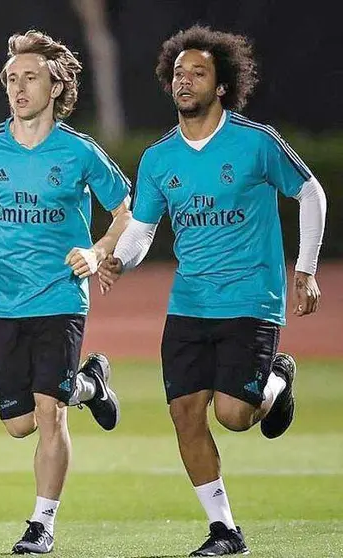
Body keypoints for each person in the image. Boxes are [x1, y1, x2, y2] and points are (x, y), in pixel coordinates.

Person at [98, 25, 327, 556]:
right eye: (179, 72)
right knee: (184, 414)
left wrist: (307, 268)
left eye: (198, 72)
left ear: (221, 85)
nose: (185, 80)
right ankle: (224, 530)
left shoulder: (255, 142)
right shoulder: (158, 159)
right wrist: (119, 261)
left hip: (251, 301)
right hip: (189, 306)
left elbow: (310, 191)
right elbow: (143, 231)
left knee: (234, 416)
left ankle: (276, 381)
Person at [0, 30, 131, 555]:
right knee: (18, 423)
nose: (18, 87)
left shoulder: (79, 152)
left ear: (55, 86)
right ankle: (91, 385)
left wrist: (98, 251)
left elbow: (127, 210)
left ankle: (41, 524)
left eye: (30, 77)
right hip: (4, 301)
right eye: (11, 78)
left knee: (49, 411)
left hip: (61, 298)